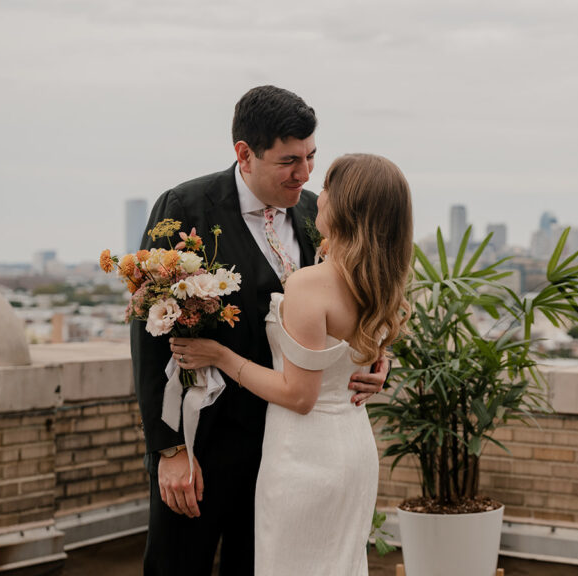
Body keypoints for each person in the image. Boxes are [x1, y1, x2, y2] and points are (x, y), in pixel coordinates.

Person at [131, 86, 389, 576]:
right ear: (244, 154)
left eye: (312, 157)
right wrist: (169, 449)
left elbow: (359, 297)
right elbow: (149, 333)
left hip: (289, 449)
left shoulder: (319, 210)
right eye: (290, 160)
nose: (306, 173)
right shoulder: (186, 206)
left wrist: (376, 359)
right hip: (202, 442)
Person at [169, 153, 413, 575]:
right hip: (354, 450)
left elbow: (299, 396)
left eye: (329, 189)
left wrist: (220, 355)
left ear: (345, 207)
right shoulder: (378, 279)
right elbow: (355, 348)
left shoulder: (308, 283)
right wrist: (378, 360)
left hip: (304, 456)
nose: (318, 197)